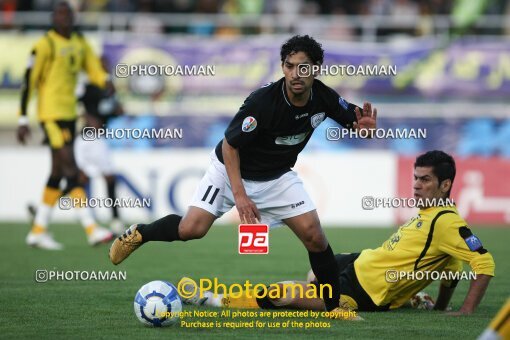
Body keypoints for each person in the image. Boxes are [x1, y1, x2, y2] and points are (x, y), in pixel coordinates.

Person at [109, 35, 377, 319]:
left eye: (305, 67)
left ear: (316, 69)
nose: (297, 74)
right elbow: (230, 146)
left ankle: (334, 308)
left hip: (276, 178)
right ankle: (140, 233)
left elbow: (354, 120)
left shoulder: (323, 97)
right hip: (229, 170)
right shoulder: (263, 102)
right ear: (283, 67)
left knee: (315, 237)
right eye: (290, 66)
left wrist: (364, 128)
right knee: (191, 230)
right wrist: (240, 195)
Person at [179, 151, 495, 316]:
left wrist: (464, 311)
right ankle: (318, 296)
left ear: (446, 185)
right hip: (360, 262)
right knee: (312, 272)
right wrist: (439, 307)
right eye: (415, 178)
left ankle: (214, 300)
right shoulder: (430, 215)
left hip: (366, 292)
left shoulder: (449, 222)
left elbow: (484, 265)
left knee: (282, 294)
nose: (415, 185)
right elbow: (451, 271)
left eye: (425, 180)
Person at [18, 1, 113, 250]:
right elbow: (29, 82)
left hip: (70, 115)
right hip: (51, 115)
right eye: (60, 15)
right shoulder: (45, 45)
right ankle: (92, 229)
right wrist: (22, 118)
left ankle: (38, 230)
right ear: (53, 18)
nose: (65, 18)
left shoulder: (79, 43)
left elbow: (93, 68)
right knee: (72, 170)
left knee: (58, 172)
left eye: (68, 14)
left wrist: (105, 80)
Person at [74, 56, 125, 235]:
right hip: (86, 138)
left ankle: (116, 219)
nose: (106, 67)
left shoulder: (108, 89)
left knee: (100, 178)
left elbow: (113, 111)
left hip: (97, 139)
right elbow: (79, 103)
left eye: (107, 64)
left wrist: (116, 111)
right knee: (83, 178)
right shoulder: (89, 86)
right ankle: (116, 219)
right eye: (103, 65)